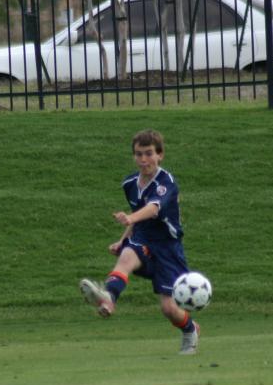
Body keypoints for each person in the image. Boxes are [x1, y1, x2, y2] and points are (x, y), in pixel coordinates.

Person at [80, 129, 200, 355]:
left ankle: (190, 329)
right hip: (143, 238)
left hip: (168, 248)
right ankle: (109, 298)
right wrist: (122, 239)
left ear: (160, 155)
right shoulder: (129, 183)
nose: (143, 160)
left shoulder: (167, 182)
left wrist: (130, 218)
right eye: (138, 154)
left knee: (168, 308)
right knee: (126, 257)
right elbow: (137, 215)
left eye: (149, 154)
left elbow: (153, 209)